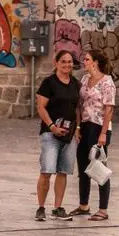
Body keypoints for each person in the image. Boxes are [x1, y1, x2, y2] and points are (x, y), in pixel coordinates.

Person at [35, 50, 80, 222]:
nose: (67, 65)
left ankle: (57, 207)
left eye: (70, 62)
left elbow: (77, 108)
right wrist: (52, 127)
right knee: (47, 171)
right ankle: (40, 207)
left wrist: (77, 128)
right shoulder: (49, 83)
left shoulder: (75, 83)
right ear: (56, 63)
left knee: (63, 171)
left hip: (69, 135)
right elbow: (41, 107)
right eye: (64, 62)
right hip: (50, 133)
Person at [72, 48, 116, 222]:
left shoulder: (107, 82)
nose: (84, 62)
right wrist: (77, 127)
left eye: (87, 59)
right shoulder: (84, 79)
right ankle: (84, 205)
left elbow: (109, 109)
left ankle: (103, 209)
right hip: (84, 125)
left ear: (96, 62)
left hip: (99, 127)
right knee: (83, 167)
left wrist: (103, 133)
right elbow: (79, 104)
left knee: (99, 167)